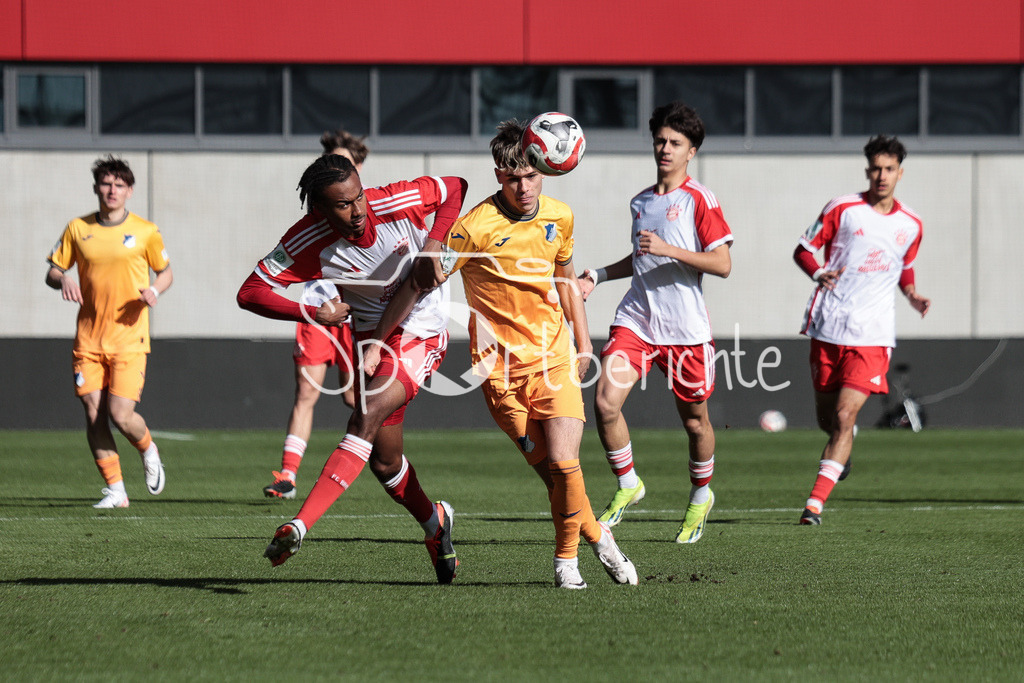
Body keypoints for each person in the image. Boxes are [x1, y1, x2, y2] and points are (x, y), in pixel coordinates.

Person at [367, 119, 638, 589]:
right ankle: (600, 537)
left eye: (531, 175)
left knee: (565, 463)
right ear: (498, 174)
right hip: (499, 373)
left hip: (553, 359)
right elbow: (420, 283)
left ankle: (565, 563)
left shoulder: (561, 216)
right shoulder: (472, 228)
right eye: (512, 177)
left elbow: (566, 278)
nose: (523, 186)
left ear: (543, 170)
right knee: (552, 478)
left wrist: (584, 340)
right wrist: (379, 338)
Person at [237, 153, 468, 583]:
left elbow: (454, 187)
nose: (358, 210)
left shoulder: (394, 201)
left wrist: (435, 242)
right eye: (343, 205)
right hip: (372, 342)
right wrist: (311, 310)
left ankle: (299, 525)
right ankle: (435, 525)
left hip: (421, 329)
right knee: (385, 464)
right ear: (319, 211)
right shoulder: (308, 240)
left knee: (365, 414)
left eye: (358, 196)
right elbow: (250, 293)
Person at [578, 102, 733, 544]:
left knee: (696, 423)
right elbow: (641, 257)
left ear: (692, 151)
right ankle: (630, 485)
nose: (665, 149)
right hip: (638, 321)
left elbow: (722, 263)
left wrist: (671, 250)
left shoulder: (699, 199)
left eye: (675, 143)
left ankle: (701, 495)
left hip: (685, 331)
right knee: (606, 403)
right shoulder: (641, 201)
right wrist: (598, 276)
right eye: (660, 141)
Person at [793, 134, 930, 525]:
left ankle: (814, 505)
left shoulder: (911, 224)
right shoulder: (843, 209)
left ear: (900, 173)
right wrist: (818, 271)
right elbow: (803, 248)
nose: (881, 175)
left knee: (845, 414)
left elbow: (903, 264)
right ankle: (842, 451)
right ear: (867, 170)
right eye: (875, 168)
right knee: (829, 420)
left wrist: (912, 294)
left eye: (889, 169)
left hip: (873, 336)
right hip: (830, 326)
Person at [45, 156, 173, 508]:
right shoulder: (77, 228)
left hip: (130, 338)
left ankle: (148, 449)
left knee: (121, 414)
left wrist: (155, 291)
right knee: (93, 415)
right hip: (88, 340)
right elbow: (53, 271)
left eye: (119, 184)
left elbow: (165, 272)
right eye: (106, 183)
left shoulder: (146, 231)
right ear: (96, 188)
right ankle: (116, 491)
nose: (112, 190)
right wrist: (64, 278)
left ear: (130, 191)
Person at [263, 129, 369, 500]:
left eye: (345, 164)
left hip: (357, 310)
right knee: (306, 391)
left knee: (357, 398)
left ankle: (372, 458)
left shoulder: (367, 208)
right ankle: (288, 475)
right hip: (318, 309)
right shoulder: (321, 208)